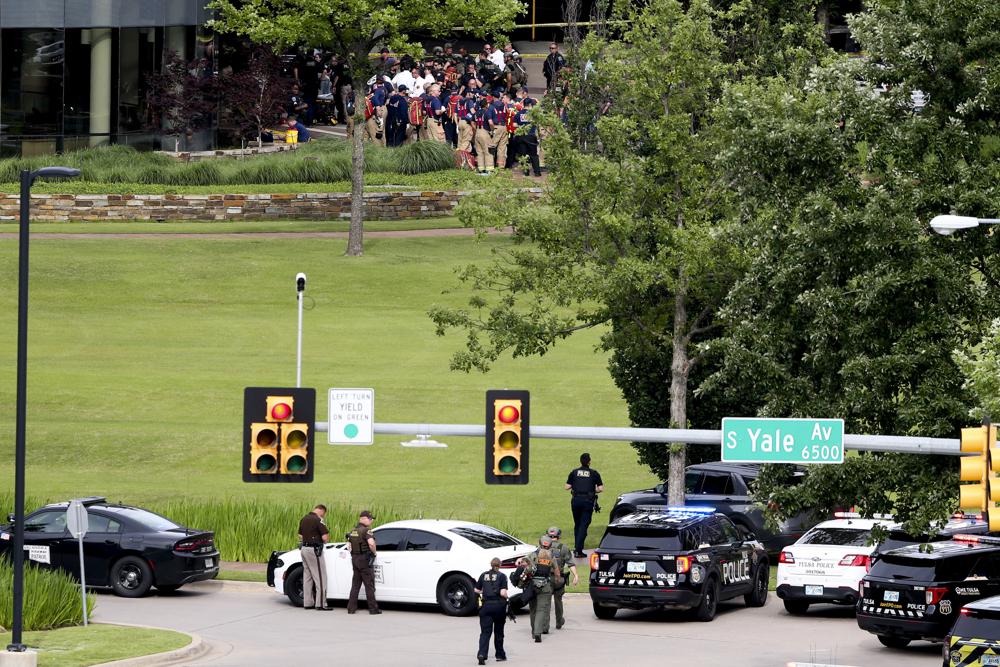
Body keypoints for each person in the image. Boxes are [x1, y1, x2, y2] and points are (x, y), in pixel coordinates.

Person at [566, 452, 604, 558]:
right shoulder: (594, 473)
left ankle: (577, 548)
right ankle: (578, 550)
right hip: (587, 502)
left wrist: (577, 485)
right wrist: (591, 490)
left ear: (580, 461)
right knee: (583, 525)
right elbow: (600, 489)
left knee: (577, 524)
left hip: (576, 501)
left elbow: (567, 487)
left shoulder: (574, 472)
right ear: (589, 462)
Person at [524, 535, 560, 642]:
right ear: (550, 545)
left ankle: (533, 631)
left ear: (540, 544)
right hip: (545, 586)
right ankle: (538, 632)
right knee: (541, 610)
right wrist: (557, 581)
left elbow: (525, 568)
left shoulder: (532, 555)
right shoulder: (551, 557)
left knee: (533, 609)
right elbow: (557, 572)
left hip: (532, 586)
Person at [474, 557, 508, 665]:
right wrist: (507, 597)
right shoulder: (502, 576)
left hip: (486, 606)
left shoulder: (483, 575)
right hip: (498, 607)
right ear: (500, 565)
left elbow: (476, 590)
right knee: (499, 632)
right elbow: (503, 593)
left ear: (491, 565)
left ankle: (482, 654)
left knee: (485, 632)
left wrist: (484, 592)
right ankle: (500, 655)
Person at [347, 510, 381, 614]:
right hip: (364, 559)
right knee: (369, 585)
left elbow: (349, 546)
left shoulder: (353, 531)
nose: (371, 521)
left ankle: (351, 608)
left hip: (355, 558)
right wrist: (374, 553)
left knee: (355, 585)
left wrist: (354, 554)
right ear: (364, 519)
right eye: (370, 519)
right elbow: (371, 543)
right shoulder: (366, 530)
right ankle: (373, 609)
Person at [298, 504, 331, 611]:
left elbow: (300, 535)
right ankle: (321, 604)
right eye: (324, 514)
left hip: (304, 549)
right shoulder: (318, 520)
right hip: (314, 550)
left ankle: (308, 603)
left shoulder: (304, 518)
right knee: (320, 577)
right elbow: (325, 537)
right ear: (322, 511)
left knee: (307, 576)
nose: (323, 516)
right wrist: (322, 540)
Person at [546, 526, 579, 629]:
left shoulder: (543, 547)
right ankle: (559, 622)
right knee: (558, 601)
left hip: (546, 579)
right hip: (559, 579)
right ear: (559, 536)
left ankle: (545, 626)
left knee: (546, 603)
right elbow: (570, 564)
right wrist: (576, 575)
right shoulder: (563, 548)